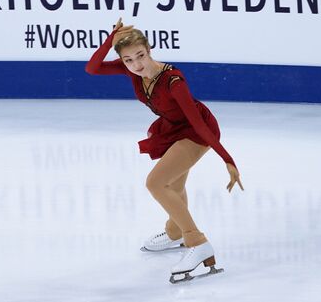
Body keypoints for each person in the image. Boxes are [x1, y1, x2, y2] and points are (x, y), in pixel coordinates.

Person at [85, 18, 244, 283]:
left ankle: (197, 241)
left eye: (141, 56)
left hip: (196, 131)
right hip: (172, 128)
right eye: (128, 60)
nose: (137, 64)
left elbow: (196, 122)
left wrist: (227, 159)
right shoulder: (132, 72)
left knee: (156, 183)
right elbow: (92, 68)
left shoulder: (173, 82)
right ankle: (174, 232)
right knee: (174, 183)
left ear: (149, 50)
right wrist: (110, 37)